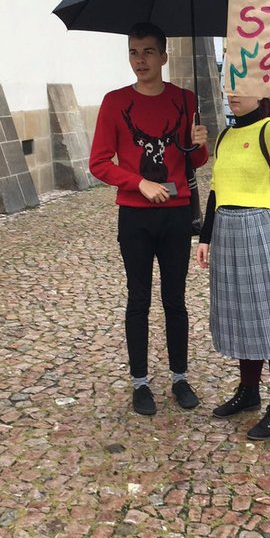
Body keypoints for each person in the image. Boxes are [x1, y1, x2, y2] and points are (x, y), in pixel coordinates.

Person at [90, 22, 209, 416]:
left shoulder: (185, 100)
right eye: (133, 52)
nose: (139, 60)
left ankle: (179, 376)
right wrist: (137, 182)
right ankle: (140, 382)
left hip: (176, 215)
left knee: (175, 299)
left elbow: (194, 161)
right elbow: (99, 163)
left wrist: (199, 144)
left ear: (164, 56)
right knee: (138, 298)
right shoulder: (114, 102)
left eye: (147, 52)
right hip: (136, 217)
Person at [195, 89, 270, 440]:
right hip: (228, 231)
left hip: (264, 228)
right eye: (230, 84)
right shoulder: (226, 135)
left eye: (242, 85)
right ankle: (248, 392)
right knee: (242, 317)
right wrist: (206, 237)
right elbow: (217, 189)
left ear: (261, 91)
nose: (232, 93)